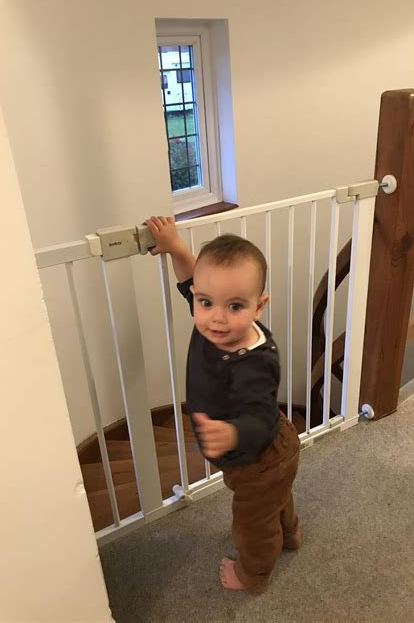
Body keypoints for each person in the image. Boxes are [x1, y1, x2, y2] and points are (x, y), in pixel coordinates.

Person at [146, 215, 301, 594]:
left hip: (262, 456)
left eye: (234, 306)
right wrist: (176, 248)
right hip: (259, 458)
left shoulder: (256, 361)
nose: (216, 317)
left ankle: (255, 575)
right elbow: (188, 280)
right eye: (205, 302)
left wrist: (231, 432)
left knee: (252, 524)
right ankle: (292, 533)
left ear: (259, 306)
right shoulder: (210, 319)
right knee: (273, 501)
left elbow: (260, 416)